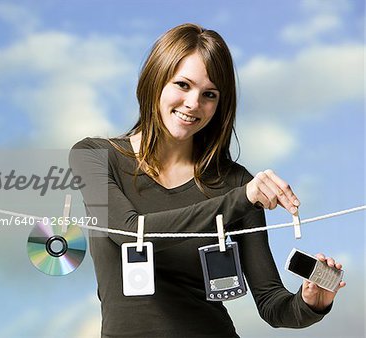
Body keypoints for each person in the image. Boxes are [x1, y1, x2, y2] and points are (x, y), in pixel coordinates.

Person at [69, 23, 345, 338]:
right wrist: (241, 199)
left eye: (209, 94)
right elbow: (131, 233)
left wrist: (312, 302)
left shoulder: (234, 182)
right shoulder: (93, 155)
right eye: (183, 85)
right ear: (155, 80)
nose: (193, 104)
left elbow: (272, 304)